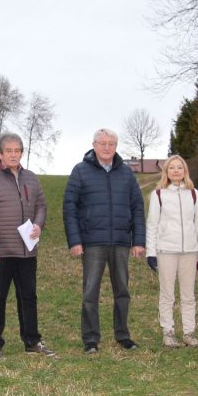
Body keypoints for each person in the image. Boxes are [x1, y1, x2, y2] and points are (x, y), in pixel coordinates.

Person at [0, 132, 57, 360]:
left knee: (28, 296)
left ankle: (32, 340)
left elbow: (41, 206)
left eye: (17, 150)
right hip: (0, 251)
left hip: (27, 250)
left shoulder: (31, 178)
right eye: (8, 150)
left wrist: (38, 224)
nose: (13, 154)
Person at [63, 128, 146, 353]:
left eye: (111, 144)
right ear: (94, 145)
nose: (107, 147)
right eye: (102, 143)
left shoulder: (126, 173)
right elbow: (69, 208)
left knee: (122, 291)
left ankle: (123, 335)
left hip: (120, 241)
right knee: (90, 293)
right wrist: (75, 241)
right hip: (92, 243)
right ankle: (91, 339)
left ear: (116, 147)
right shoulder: (80, 171)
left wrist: (138, 240)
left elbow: (137, 207)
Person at [145, 155, 198, 348]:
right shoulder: (158, 195)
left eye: (179, 168)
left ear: (185, 171)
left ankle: (189, 332)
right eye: (172, 168)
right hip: (166, 250)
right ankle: (168, 332)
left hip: (189, 251)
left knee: (188, 295)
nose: (176, 171)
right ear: (166, 172)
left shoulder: (193, 194)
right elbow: (152, 225)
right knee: (167, 294)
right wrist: (151, 252)